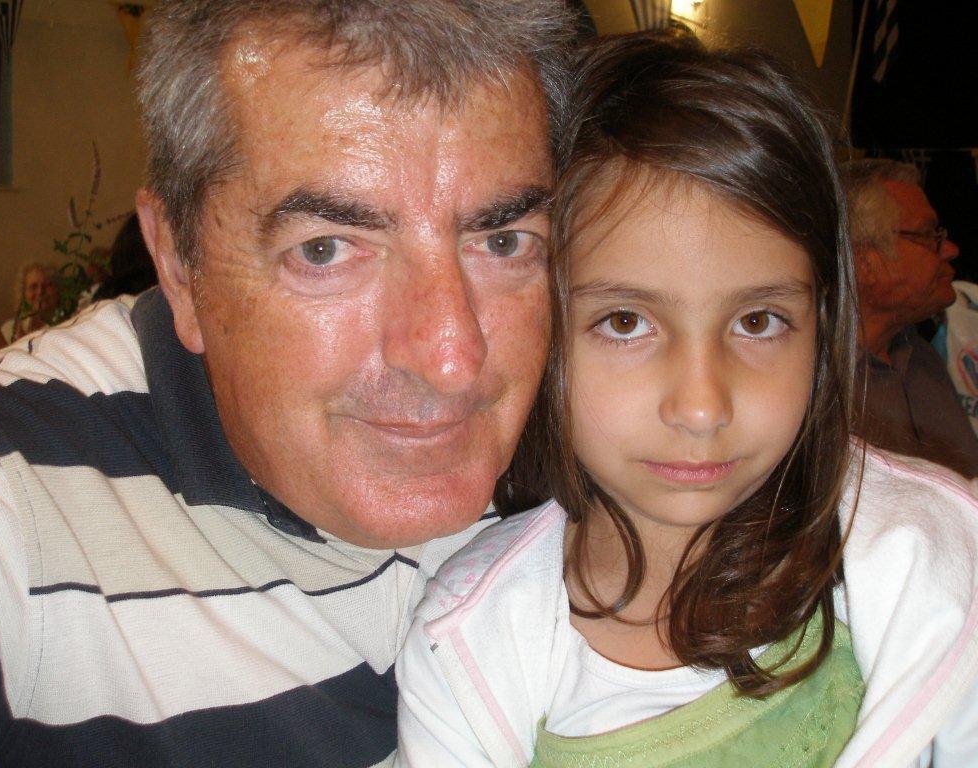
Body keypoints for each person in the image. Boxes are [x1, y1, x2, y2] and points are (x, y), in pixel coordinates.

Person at [0, 1, 578, 765]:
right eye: (325, 250)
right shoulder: (0, 494)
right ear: (178, 263)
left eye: (503, 240)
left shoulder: (616, 453)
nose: (451, 357)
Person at [396, 36, 978, 767]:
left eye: (758, 322)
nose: (702, 409)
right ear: (540, 328)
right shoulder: (468, 645)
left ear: (823, 328)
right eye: (625, 322)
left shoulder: (939, 565)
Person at [842, 159, 978, 477]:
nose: (950, 250)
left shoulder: (919, 354)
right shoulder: (816, 383)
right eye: (929, 234)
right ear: (864, 261)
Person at [0, 261, 58, 343]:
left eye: (46, 285)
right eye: (33, 287)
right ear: (23, 293)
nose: (40, 291)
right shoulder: (8, 329)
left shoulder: (64, 327)